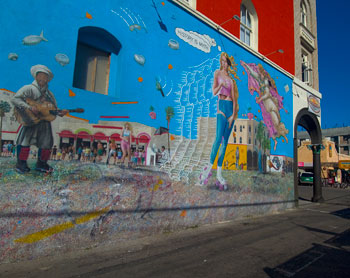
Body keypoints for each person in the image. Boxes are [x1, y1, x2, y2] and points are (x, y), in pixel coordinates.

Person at [11, 65, 68, 173]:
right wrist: (29, 107)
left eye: (45, 76)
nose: (42, 78)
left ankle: (42, 164)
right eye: (40, 75)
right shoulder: (28, 88)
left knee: (46, 143)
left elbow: (52, 108)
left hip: (44, 122)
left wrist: (59, 112)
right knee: (25, 142)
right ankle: (21, 164)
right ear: (36, 77)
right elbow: (15, 99)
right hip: (30, 120)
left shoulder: (49, 94)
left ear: (47, 79)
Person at [199, 52, 239, 190]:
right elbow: (214, 92)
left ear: (228, 63)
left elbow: (234, 99)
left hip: (230, 110)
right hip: (221, 107)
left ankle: (219, 174)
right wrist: (220, 84)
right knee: (217, 139)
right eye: (221, 61)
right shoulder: (217, 73)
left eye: (225, 62)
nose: (223, 63)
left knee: (225, 143)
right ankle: (207, 172)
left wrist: (233, 115)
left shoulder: (232, 81)